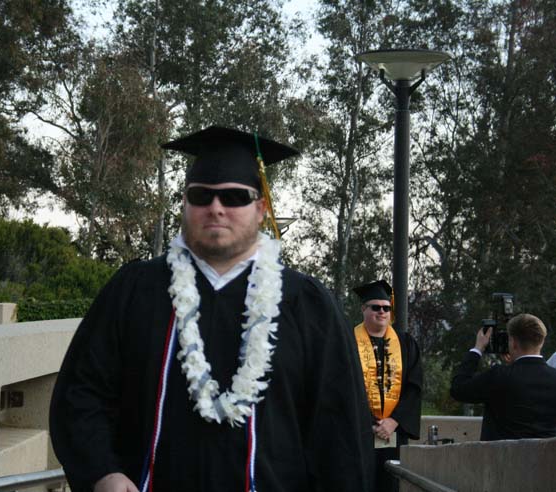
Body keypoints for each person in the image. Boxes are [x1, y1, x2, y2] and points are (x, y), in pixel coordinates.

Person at [49, 126, 373, 492]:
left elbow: (340, 431)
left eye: (235, 197)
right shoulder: (136, 290)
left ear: (261, 208)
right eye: (202, 196)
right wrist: (102, 472)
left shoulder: (306, 303)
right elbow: (81, 394)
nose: (216, 208)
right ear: (184, 204)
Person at [352, 280, 422, 492]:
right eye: (375, 307)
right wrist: (370, 423)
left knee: (391, 484)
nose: (382, 312)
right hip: (358, 431)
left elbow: (414, 386)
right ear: (364, 309)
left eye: (386, 308)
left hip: (394, 432)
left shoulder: (405, 343)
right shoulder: (348, 342)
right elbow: (343, 387)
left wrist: (394, 421)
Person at [450, 313, 556, 440]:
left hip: (504, 458)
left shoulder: (499, 376)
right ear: (541, 342)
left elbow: (458, 389)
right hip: (546, 458)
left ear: (513, 342)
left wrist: (477, 349)